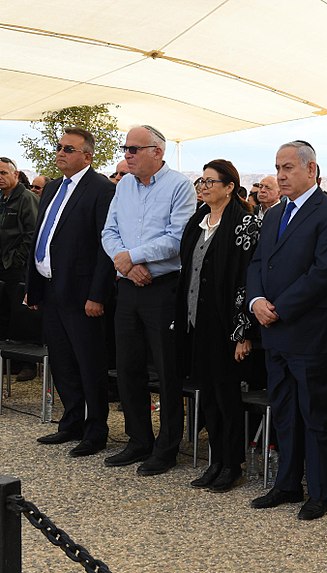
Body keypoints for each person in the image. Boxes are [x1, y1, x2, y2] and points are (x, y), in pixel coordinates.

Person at [247, 140, 327, 521]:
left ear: (311, 170)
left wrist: (281, 308)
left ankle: (320, 492)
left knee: (315, 414)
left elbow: (324, 273)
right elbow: (258, 262)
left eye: (288, 167)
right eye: (278, 167)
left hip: (310, 333)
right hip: (273, 330)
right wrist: (257, 300)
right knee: (285, 411)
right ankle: (287, 483)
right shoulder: (274, 214)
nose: (281, 175)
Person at [101, 125, 196, 476]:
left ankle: (167, 447)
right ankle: (138, 439)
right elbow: (108, 232)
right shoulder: (124, 185)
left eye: (133, 148)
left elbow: (177, 238)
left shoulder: (179, 186)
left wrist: (134, 257)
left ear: (157, 151)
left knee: (167, 369)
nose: (126, 154)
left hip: (162, 287)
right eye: (125, 148)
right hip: (128, 286)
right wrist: (125, 263)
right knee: (128, 367)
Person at [27, 128, 115, 457]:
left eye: (68, 148)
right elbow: (42, 237)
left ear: (87, 156)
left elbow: (105, 247)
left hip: (82, 294)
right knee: (62, 362)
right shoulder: (51, 187)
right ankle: (72, 421)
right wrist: (34, 287)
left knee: (88, 363)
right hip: (51, 290)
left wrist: (97, 295)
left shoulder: (101, 189)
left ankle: (96, 430)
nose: (60, 152)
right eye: (59, 146)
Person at [175, 159, 261, 492]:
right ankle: (215, 460)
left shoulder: (245, 223)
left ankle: (231, 463)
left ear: (229, 187)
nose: (204, 187)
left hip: (226, 326)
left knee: (227, 397)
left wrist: (243, 333)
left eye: (211, 182)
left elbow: (246, 280)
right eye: (202, 181)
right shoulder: (198, 219)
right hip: (197, 321)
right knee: (206, 395)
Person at [0, 156, 38, 381]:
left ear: (15, 174)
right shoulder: (2, 199)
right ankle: (9, 361)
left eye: (4, 173)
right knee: (4, 314)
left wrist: (17, 259)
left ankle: (28, 364)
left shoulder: (26, 198)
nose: (0, 178)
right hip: (2, 265)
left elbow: (32, 234)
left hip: (18, 266)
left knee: (22, 315)